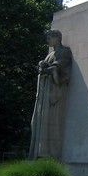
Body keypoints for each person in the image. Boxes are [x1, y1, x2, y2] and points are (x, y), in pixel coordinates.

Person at [28, 30, 72, 159]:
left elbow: (60, 68)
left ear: (57, 38)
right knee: (38, 121)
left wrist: (49, 69)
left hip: (54, 91)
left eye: (49, 38)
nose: (47, 41)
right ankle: (39, 153)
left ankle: (47, 154)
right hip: (44, 90)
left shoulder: (64, 51)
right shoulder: (50, 54)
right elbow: (48, 67)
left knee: (51, 122)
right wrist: (42, 65)